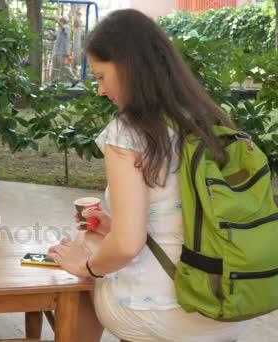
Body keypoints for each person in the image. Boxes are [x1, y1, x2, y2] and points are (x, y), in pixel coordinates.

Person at [47, 9, 249, 342]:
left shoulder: (127, 132)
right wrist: (118, 228)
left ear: (128, 68)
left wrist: (85, 265)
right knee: (101, 243)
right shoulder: (207, 118)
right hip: (231, 307)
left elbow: (127, 245)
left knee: (86, 255)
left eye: (100, 76)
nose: (99, 90)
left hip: (168, 314)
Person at [50, 16, 76, 85]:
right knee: (55, 67)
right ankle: (54, 82)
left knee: (65, 66)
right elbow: (55, 37)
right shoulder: (59, 29)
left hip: (63, 51)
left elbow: (63, 28)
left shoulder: (67, 27)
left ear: (64, 21)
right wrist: (51, 34)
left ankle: (74, 79)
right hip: (57, 51)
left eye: (61, 20)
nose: (59, 22)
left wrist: (57, 20)